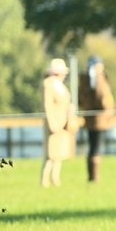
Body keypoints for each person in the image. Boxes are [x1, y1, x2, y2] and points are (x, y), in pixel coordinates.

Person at [78, 55, 115, 183]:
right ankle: (94, 177)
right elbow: (102, 98)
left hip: (89, 118)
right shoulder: (97, 78)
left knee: (93, 147)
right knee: (96, 148)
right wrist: (107, 108)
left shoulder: (84, 79)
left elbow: (81, 100)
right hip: (99, 120)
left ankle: (92, 176)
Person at [41, 58, 76, 187]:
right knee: (50, 153)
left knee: (59, 153)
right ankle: (45, 180)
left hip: (63, 122)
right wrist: (52, 123)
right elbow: (47, 105)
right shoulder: (48, 85)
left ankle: (55, 179)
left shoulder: (60, 86)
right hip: (54, 123)